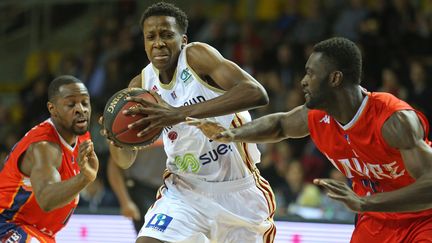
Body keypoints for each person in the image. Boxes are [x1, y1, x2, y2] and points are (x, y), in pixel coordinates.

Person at [188, 37, 432, 242]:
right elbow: (280, 124)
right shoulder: (317, 116)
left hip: (423, 217)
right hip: (376, 220)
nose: (303, 81)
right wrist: (232, 134)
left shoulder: (393, 121)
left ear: (335, 79)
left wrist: (365, 203)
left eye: (310, 73)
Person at [101, 2, 275, 243]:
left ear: (182, 40)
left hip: (238, 191)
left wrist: (179, 113)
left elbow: (256, 93)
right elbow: (125, 160)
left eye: (166, 35)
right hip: (185, 190)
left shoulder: (196, 57)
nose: (158, 43)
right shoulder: (140, 87)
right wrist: (116, 139)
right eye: (150, 37)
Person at [0, 75, 99, 243]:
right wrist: (85, 178)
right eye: (71, 104)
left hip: (42, 234)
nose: (80, 109)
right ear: (52, 109)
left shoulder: (80, 136)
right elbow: (46, 199)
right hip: (8, 226)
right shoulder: (44, 146)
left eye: (84, 102)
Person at [107, 140, 166, 234]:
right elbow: (114, 164)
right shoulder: (134, 128)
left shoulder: (183, 127)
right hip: (143, 190)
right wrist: (125, 202)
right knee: (152, 236)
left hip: (176, 189)